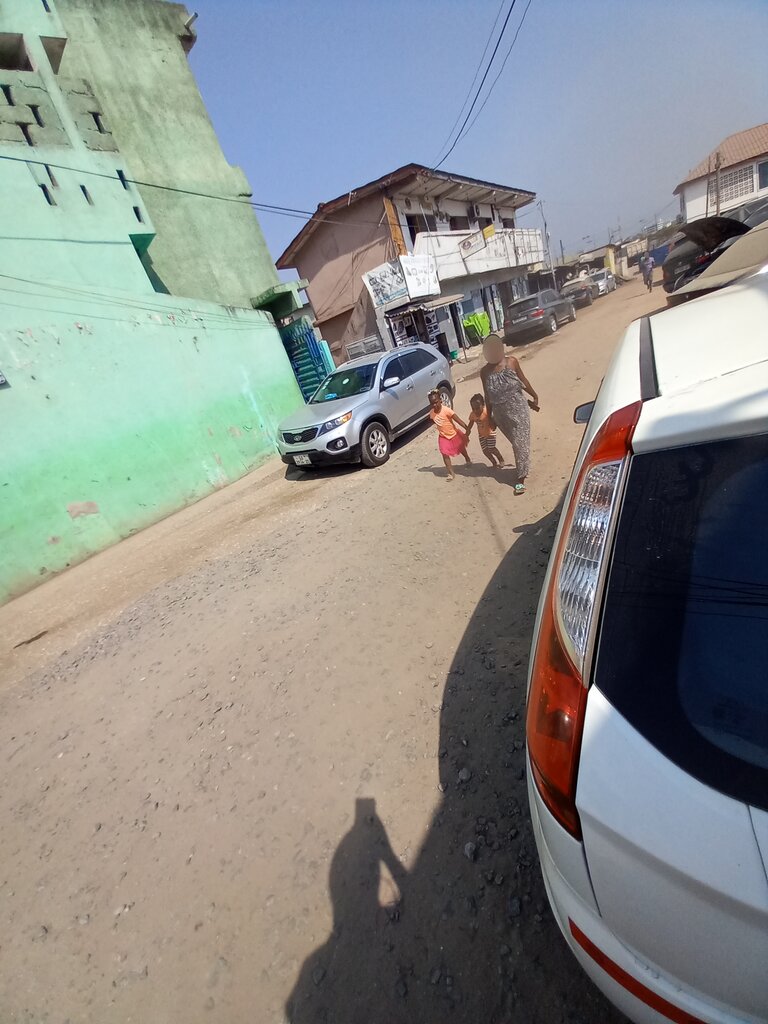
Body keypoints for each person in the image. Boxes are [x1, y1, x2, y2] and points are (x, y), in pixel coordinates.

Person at [480, 334, 539, 495]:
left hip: (519, 410)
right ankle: (524, 466)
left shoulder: (512, 362)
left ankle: (520, 479)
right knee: (517, 443)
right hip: (501, 415)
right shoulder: (484, 372)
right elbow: (487, 396)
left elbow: (523, 381)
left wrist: (534, 395)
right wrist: (490, 417)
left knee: (519, 444)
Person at [428, 389, 471, 481]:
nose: (434, 405)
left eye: (436, 402)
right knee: (444, 453)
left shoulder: (447, 410)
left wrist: (467, 428)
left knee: (461, 448)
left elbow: (457, 420)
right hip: (443, 437)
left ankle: (467, 458)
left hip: (454, 434)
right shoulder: (431, 414)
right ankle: (451, 473)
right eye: (432, 403)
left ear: (440, 400)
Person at [465, 393, 506, 468]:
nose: (475, 410)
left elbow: (495, 419)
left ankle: (501, 459)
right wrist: (467, 433)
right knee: (485, 451)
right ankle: (493, 462)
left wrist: (495, 425)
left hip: (490, 433)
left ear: (483, 405)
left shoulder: (487, 412)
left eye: (477, 408)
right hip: (481, 435)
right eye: (473, 409)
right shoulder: (473, 414)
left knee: (491, 448)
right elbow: (470, 424)